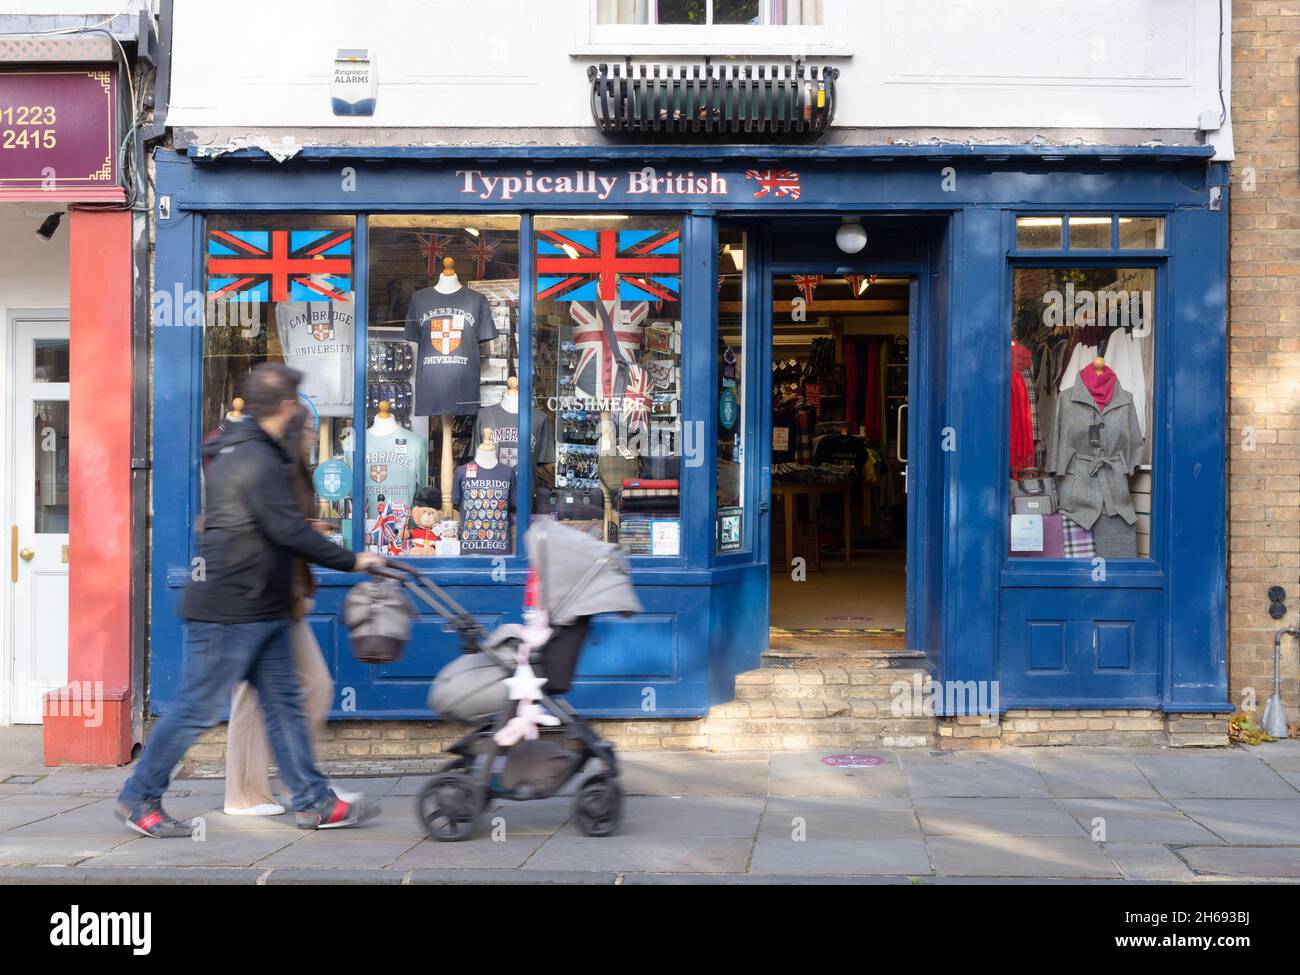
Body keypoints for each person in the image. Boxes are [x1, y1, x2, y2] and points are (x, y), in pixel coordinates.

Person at [117, 363, 385, 837]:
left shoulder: (241, 450)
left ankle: (314, 800)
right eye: (297, 404)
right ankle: (140, 797)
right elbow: (284, 529)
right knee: (196, 708)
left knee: (284, 704)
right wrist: (353, 561)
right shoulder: (256, 459)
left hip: (262, 606)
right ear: (285, 408)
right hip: (231, 609)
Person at [222, 401, 352, 816]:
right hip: (255, 599)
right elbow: (266, 529)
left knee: (297, 689)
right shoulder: (267, 466)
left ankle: (292, 784)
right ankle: (253, 793)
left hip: (278, 599)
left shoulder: (290, 470)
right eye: (309, 428)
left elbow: (281, 527)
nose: (314, 435)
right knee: (258, 695)